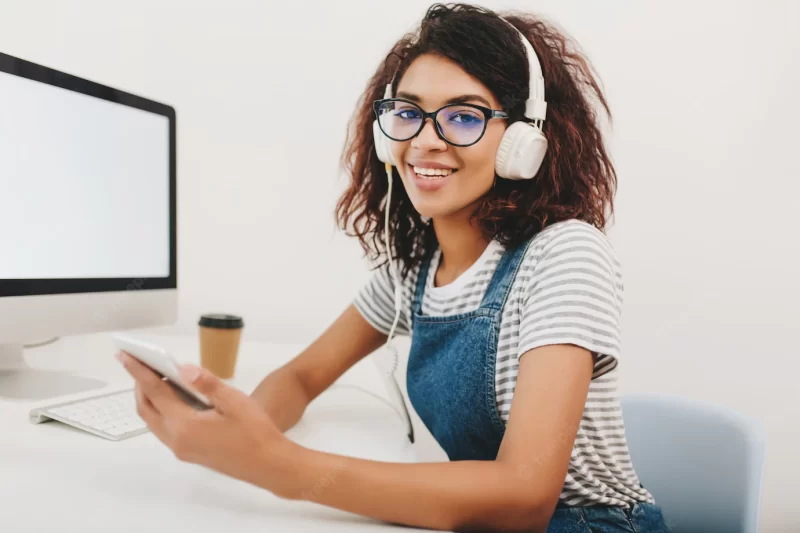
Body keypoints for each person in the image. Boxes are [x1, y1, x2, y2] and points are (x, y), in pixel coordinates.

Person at [117, 3, 671, 532]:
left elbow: (524, 497)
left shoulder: (565, 256)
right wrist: (238, 432)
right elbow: (303, 376)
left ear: (522, 141)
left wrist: (277, 466)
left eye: (463, 116)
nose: (425, 141)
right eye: (407, 113)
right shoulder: (412, 276)